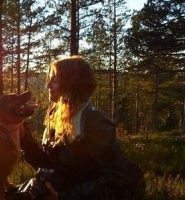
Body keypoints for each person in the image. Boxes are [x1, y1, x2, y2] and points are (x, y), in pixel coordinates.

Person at [15, 55, 139, 200]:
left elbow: (115, 180)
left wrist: (63, 197)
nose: (48, 85)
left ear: (72, 84)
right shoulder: (57, 115)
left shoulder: (95, 124)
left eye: (54, 80)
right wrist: (24, 138)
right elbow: (48, 163)